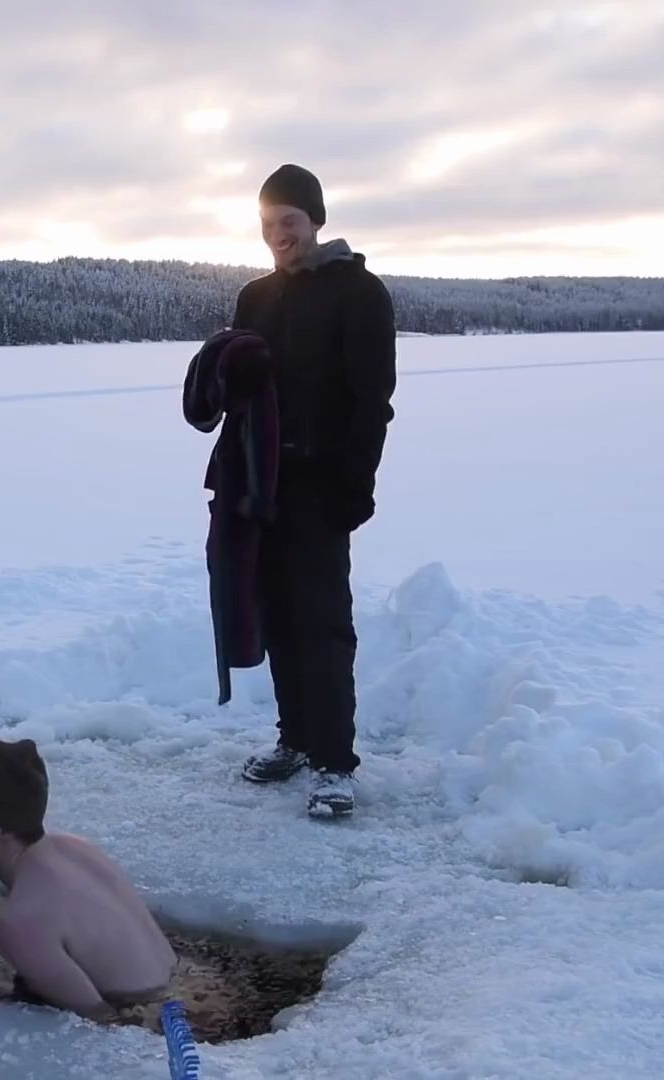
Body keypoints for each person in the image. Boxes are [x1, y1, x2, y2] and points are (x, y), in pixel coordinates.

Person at [227, 163, 397, 818]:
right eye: (268, 225)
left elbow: (371, 401)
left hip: (323, 484)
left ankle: (334, 763)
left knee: (322, 623)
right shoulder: (255, 297)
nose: (278, 235)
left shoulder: (358, 293)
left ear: (315, 221)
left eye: (289, 222)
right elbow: (238, 390)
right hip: (262, 484)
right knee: (276, 616)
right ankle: (294, 739)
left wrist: (356, 484)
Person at [0, 737, 177, 1022]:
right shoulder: (76, 848)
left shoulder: (22, 924)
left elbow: (103, 1023)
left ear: (2, 828)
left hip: (153, 1019)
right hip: (185, 983)